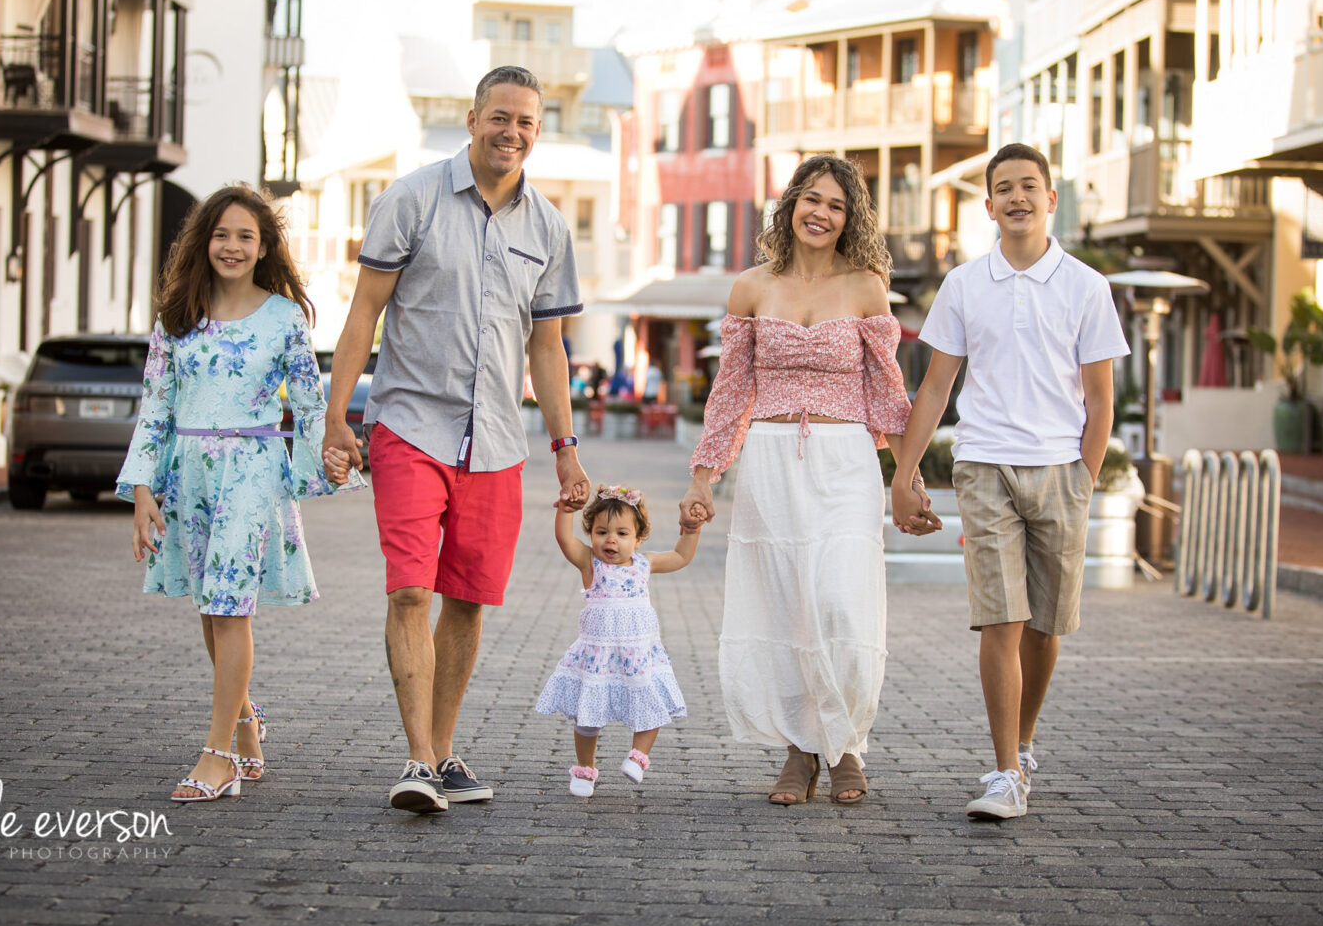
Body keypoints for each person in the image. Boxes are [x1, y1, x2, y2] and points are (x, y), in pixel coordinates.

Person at [321, 65, 591, 815]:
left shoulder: (548, 227)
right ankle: (416, 760)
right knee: (411, 588)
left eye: (526, 122)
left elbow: (547, 348)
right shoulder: (411, 199)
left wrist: (566, 447)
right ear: (472, 120)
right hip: (410, 424)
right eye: (499, 117)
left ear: (539, 131)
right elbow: (363, 314)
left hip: (497, 440)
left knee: (467, 601)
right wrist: (337, 416)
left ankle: (441, 754)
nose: (511, 133)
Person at [890, 144, 1129, 821]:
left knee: (1045, 628)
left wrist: (1083, 480)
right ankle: (1004, 774)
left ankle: (1023, 746)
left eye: (1029, 186)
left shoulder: (1086, 286)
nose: (1017, 197)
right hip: (985, 464)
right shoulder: (964, 285)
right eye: (1003, 188)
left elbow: (1101, 400)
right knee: (1002, 618)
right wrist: (905, 474)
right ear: (989, 205)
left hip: (1061, 470)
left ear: (1050, 199)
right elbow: (936, 387)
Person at [682, 153, 928, 809]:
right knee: (788, 606)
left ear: (851, 219)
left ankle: (845, 744)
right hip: (770, 462)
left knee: (841, 602)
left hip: (846, 461)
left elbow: (889, 394)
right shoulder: (751, 287)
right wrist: (704, 477)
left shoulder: (867, 287)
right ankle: (801, 749)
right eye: (812, 199)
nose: (821, 213)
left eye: (836, 205)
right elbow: (730, 393)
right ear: (791, 204)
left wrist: (908, 476)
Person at [117, 184, 350, 804]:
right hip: (189, 473)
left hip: (251, 469)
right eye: (221, 234)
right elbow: (156, 408)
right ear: (204, 242)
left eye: (246, 236)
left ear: (264, 247)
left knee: (228, 606)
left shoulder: (284, 318)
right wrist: (142, 489)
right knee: (210, 608)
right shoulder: (176, 318)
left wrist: (331, 458)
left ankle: (218, 757)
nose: (232, 246)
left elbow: (309, 406)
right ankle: (246, 721)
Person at [536, 483, 700, 797]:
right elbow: (564, 539)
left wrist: (691, 530)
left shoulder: (644, 564)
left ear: (638, 538)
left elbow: (681, 556)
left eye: (622, 533)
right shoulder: (590, 563)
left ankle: (638, 757)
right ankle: (585, 770)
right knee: (587, 717)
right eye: (602, 532)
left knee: (650, 704)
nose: (611, 539)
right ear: (591, 534)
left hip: (637, 655)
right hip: (598, 657)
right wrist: (565, 511)